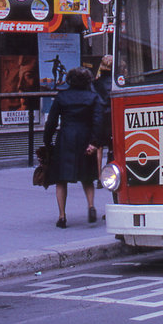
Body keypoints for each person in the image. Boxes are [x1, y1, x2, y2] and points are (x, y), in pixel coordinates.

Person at [44, 66, 102, 228]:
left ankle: (62, 216)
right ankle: (91, 206)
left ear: (69, 80)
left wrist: (47, 141)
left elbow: (51, 122)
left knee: (61, 179)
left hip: (66, 139)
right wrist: (94, 143)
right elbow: (98, 122)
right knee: (87, 177)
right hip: (85, 137)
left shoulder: (62, 97)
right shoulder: (93, 97)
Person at [93, 55, 113, 189]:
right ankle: (110, 174)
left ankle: (99, 177)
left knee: (99, 148)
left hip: (99, 116)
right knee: (112, 148)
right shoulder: (115, 83)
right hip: (111, 116)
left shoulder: (96, 82)